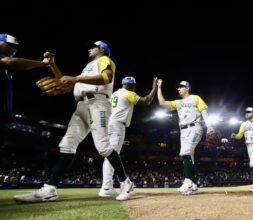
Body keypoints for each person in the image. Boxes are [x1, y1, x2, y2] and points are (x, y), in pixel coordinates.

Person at [14, 41, 133, 202]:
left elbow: (106, 77)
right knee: (67, 144)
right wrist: (53, 65)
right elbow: (66, 81)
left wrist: (76, 78)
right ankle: (50, 189)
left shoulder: (104, 60)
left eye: (93, 46)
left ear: (102, 50)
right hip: (82, 105)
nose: (90, 48)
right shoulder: (88, 67)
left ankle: (126, 183)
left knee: (103, 146)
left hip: (98, 103)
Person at [99, 76, 157, 197]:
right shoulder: (128, 93)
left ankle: (106, 186)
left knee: (109, 156)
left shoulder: (115, 94)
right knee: (112, 155)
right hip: (117, 126)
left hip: (109, 125)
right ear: (130, 85)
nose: (135, 88)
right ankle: (107, 187)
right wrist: (154, 88)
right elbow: (146, 101)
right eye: (134, 85)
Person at [156, 79, 214, 195]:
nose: (178, 88)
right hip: (183, 131)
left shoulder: (195, 98)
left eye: (181, 86)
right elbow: (162, 103)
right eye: (178, 87)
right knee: (189, 157)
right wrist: (159, 87)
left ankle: (188, 181)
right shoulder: (177, 102)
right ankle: (193, 185)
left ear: (187, 88)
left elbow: (204, 111)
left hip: (194, 127)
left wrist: (210, 126)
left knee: (185, 152)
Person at [0, 34, 51, 120]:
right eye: (10, 45)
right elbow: (9, 62)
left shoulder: (5, 68)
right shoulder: (4, 59)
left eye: (16, 47)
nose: (14, 50)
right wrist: (42, 64)